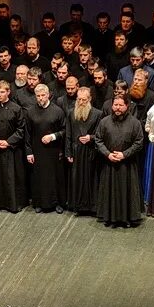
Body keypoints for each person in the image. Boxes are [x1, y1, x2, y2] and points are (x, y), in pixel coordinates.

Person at [94, 94, 145, 227]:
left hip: (127, 165)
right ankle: (110, 218)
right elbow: (98, 140)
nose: (117, 108)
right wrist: (107, 154)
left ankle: (127, 218)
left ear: (127, 106)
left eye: (120, 105)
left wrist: (124, 154)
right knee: (110, 191)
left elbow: (139, 142)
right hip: (109, 164)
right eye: (115, 105)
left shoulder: (135, 123)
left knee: (127, 191)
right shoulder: (104, 122)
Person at [0, 80, 28, 213]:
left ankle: (14, 204)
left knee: (12, 177)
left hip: (12, 149)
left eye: (2, 92)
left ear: (8, 92)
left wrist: (8, 142)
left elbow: (21, 129)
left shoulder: (16, 108)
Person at [25, 84, 67, 213]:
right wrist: (29, 152)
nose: (40, 98)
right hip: (37, 151)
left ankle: (57, 203)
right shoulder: (30, 111)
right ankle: (39, 203)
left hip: (53, 151)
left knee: (55, 177)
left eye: (43, 95)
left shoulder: (58, 111)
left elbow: (65, 130)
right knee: (39, 177)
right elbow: (27, 133)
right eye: (38, 96)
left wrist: (53, 136)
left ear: (48, 95)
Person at [65, 87, 103, 216]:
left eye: (84, 99)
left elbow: (100, 133)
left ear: (90, 99)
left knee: (91, 178)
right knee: (77, 178)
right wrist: (68, 152)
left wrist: (90, 138)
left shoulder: (97, 113)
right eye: (79, 99)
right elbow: (68, 134)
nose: (81, 102)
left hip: (90, 151)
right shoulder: (71, 113)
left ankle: (92, 206)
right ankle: (78, 206)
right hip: (76, 151)